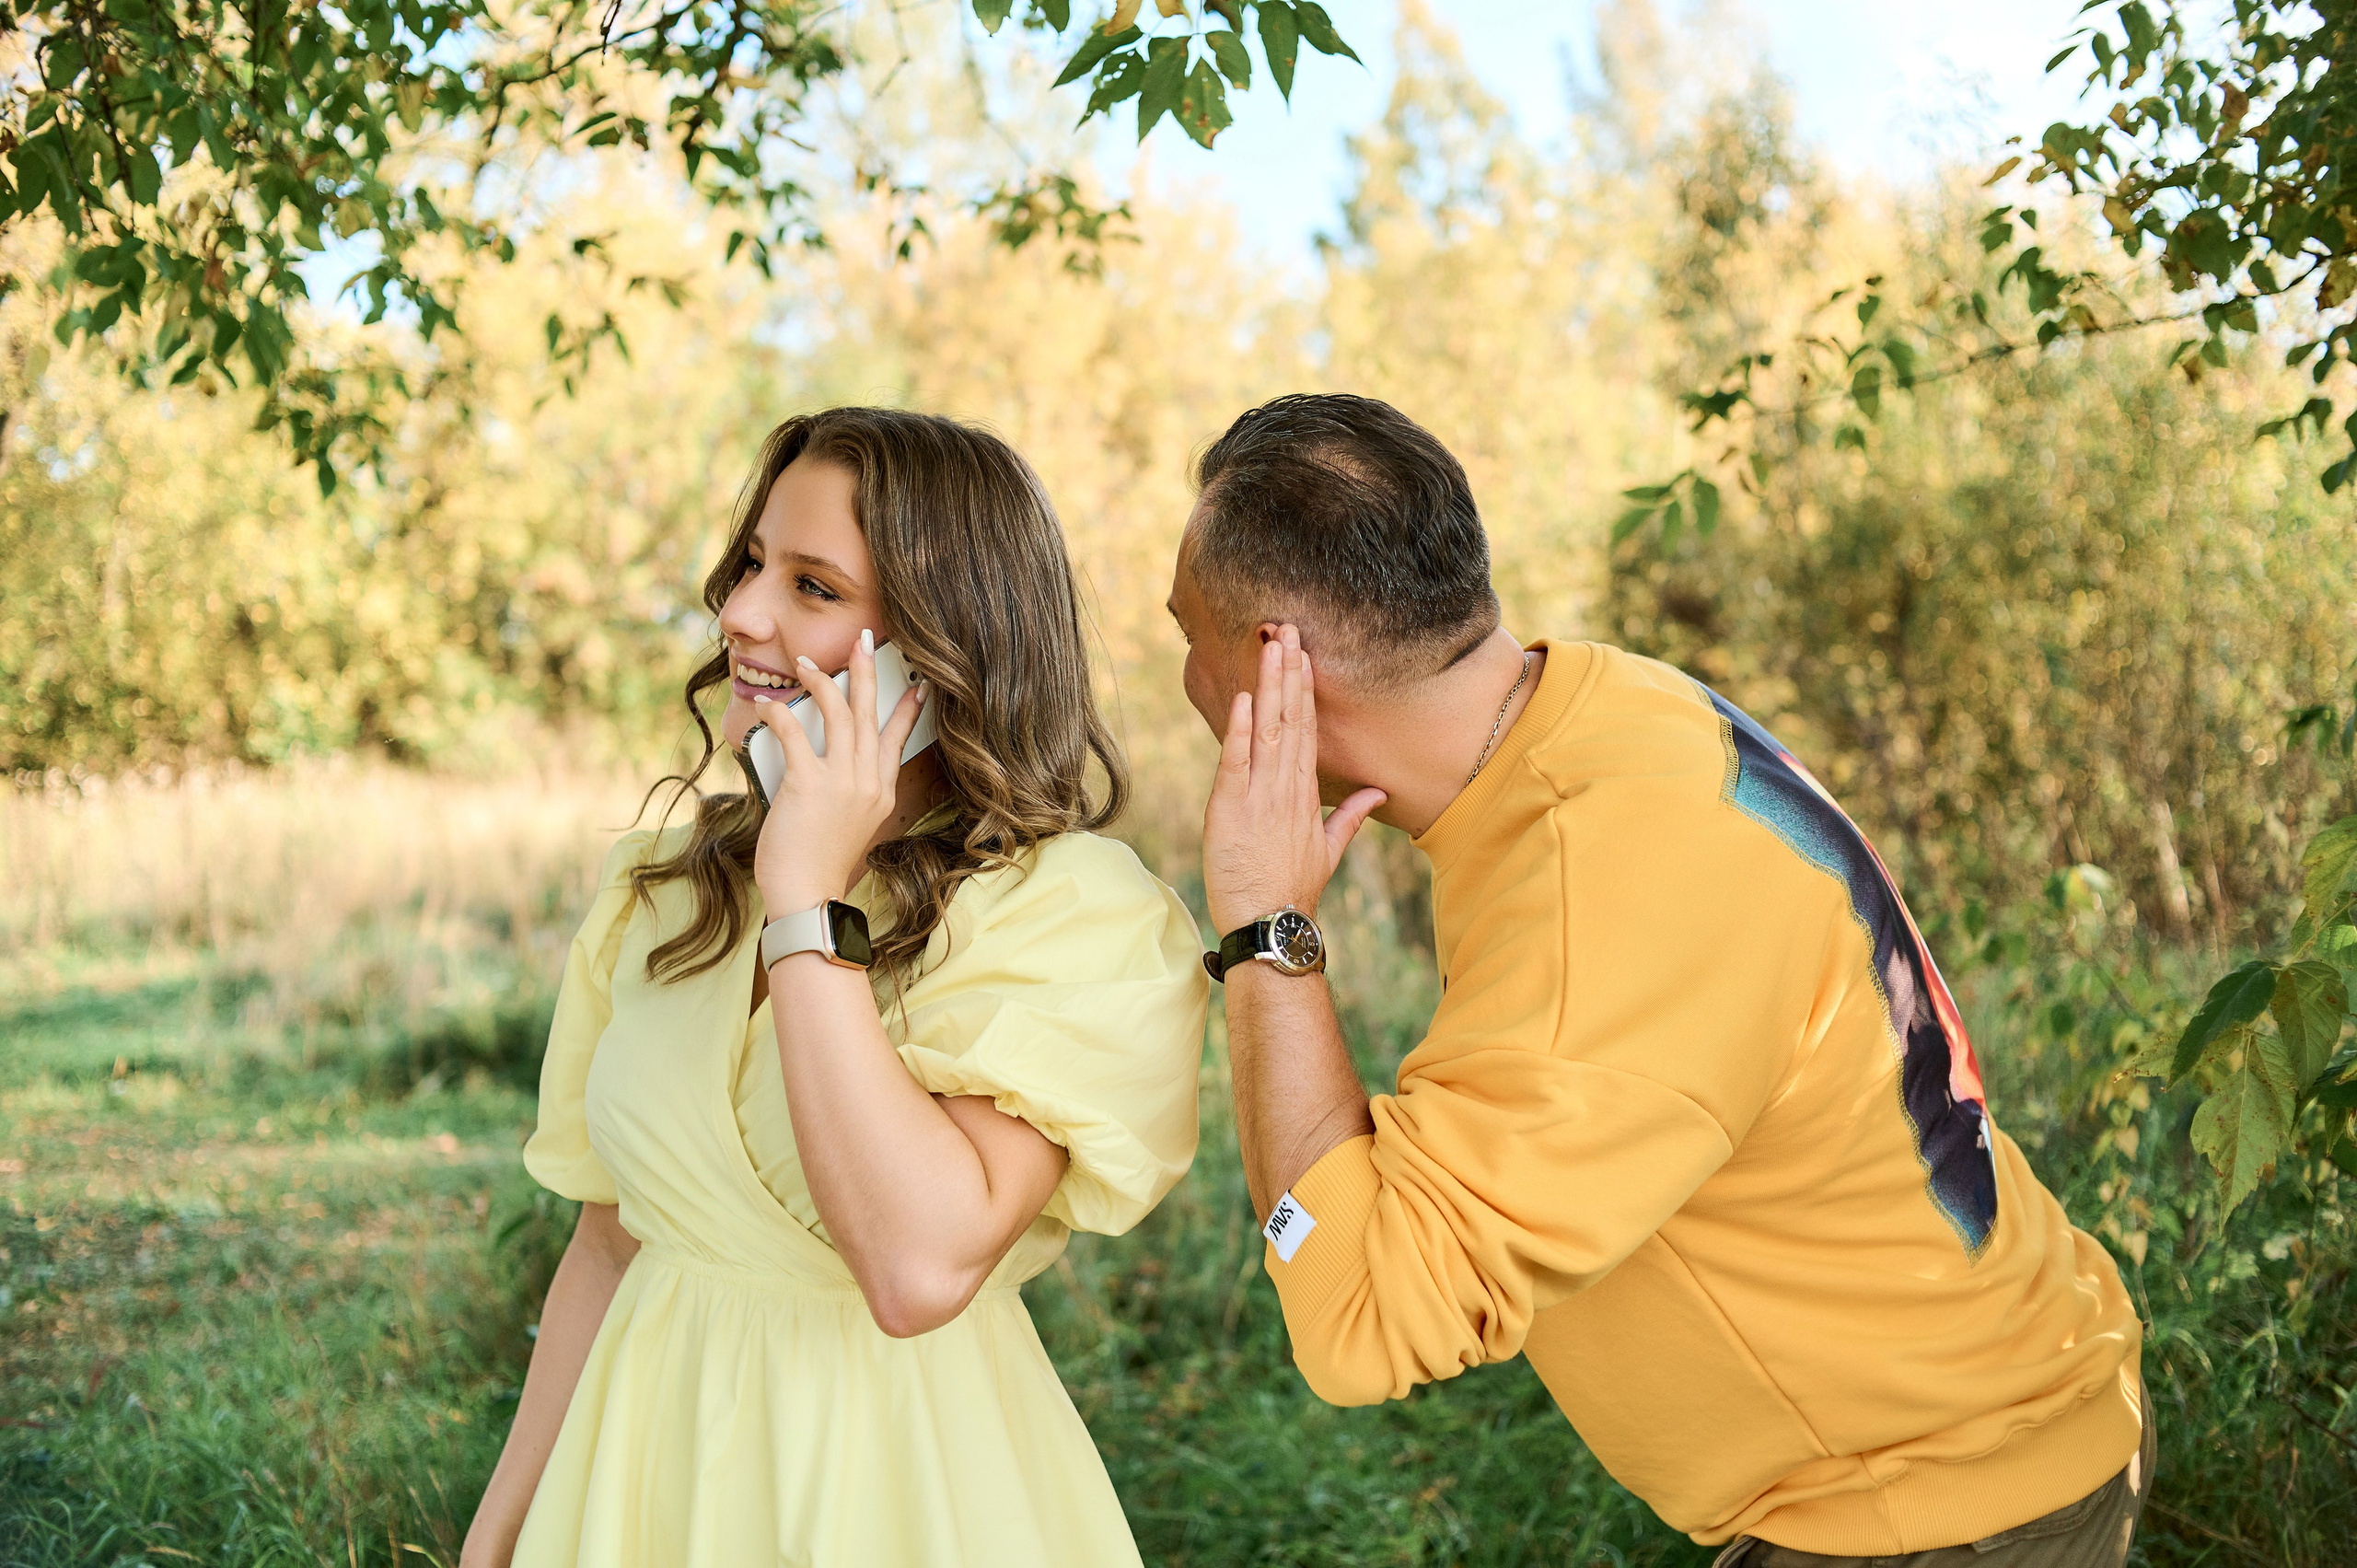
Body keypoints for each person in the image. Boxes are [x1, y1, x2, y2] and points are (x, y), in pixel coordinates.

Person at [1169, 393, 2153, 1567]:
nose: (1180, 668)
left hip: (1930, 1508)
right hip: (1986, 1428)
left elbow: (1361, 1317)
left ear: (1280, 659)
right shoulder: (1608, 711)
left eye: (1188, 631)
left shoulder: (1600, 884)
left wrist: (1264, 930)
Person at [463, 407, 1209, 1568]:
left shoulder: (1073, 916)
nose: (742, 613)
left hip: (898, 1493)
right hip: (641, 1476)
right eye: (754, 563)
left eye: (813, 585)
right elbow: (607, 1245)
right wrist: (500, 1529)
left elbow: (916, 1267)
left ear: (940, 642)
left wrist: (805, 894)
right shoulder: (657, 888)